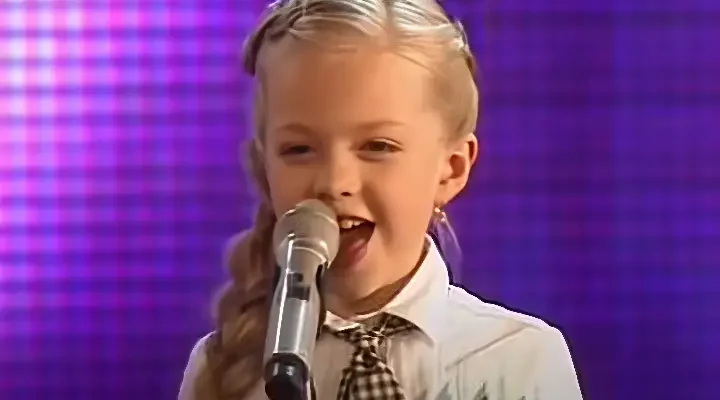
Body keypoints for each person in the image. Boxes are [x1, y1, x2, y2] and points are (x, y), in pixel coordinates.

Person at [179, 0, 583, 399]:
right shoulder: (222, 371)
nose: (335, 183)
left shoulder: (519, 362)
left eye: (377, 146)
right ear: (265, 165)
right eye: (298, 149)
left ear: (451, 168)